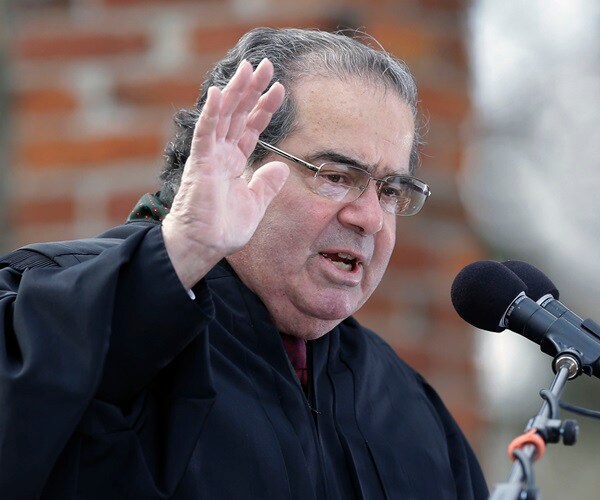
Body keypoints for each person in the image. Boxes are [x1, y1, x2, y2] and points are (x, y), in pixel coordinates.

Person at [0, 27, 488, 499]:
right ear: (236, 162)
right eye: (336, 176)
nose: (370, 219)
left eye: (390, 191)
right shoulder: (43, 301)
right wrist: (180, 256)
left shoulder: (413, 411)